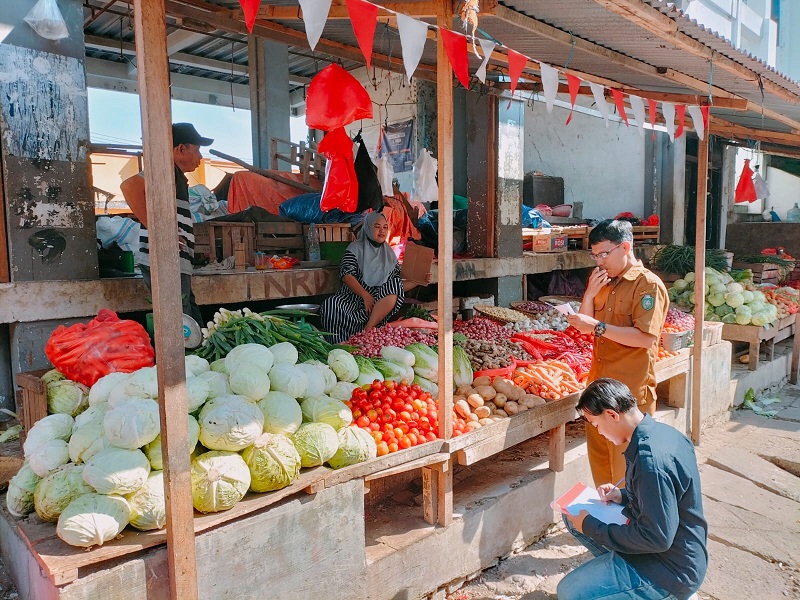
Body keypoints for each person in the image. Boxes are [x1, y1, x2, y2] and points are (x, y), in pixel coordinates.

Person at [559, 378, 707, 600]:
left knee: (569, 593)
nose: (599, 433)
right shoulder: (663, 434)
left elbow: (657, 538)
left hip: (668, 570)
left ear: (611, 414)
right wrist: (623, 496)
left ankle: (667, 596)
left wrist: (591, 525)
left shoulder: (650, 461)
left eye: (597, 425)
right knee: (571, 516)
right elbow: (667, 497)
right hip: (676, 551)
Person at [566, 219, 668, 487]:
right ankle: (606, 524)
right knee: (600, 468)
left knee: (629, 474)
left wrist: (598, 326)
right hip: (599, 391)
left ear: (625, 247)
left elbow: (646, 338)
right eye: (594, 255)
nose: (599, 261)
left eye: (603, 254)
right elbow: (586, 328)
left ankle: (630, 525)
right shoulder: (602, 280)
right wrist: (589, 295)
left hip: (629, 397)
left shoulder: (648, 285)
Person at [121, 123, 212, 325]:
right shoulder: (165, 170)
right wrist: (160, 233)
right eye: (197, 150)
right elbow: (129, 186)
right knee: (179, 320)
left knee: (190, 318)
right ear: (181, 148)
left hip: (176, 260)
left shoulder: (175, 175)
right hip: (167, 259)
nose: (200, 158)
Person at [320, 211, 431, 343]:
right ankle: (340, 344)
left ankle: (368, 330)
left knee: (395, 282)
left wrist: (418, 281)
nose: (382, 231)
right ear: (368, 227)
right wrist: (365, 295)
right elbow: (346, 275)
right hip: (353, 299)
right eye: (377, 226)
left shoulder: (389, 254)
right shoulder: (355, 248)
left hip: (377, 306)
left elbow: (396, 287)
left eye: (385, 227)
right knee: (330, 305)